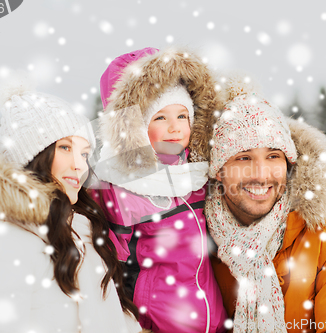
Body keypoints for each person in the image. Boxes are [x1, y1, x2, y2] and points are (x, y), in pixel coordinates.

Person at [0, 71, 144, 333]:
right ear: (32, 155)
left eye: (85, 154)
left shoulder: (76, 229)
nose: (79, 165)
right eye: (65, 148)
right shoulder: (1, 238)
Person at [205, 78, 326, 333]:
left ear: (289, 163)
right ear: (218, 171)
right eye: (244, 157)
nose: (261, 174)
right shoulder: (193, 235)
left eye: (273, 156)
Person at [91, 47, 228, 333]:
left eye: (182, 116)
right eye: (160, 118)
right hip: (156, 323)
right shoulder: (119, 186)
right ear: (137, 127)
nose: (175, 128)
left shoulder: (198, 177)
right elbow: (108, 270)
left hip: (212, 320)